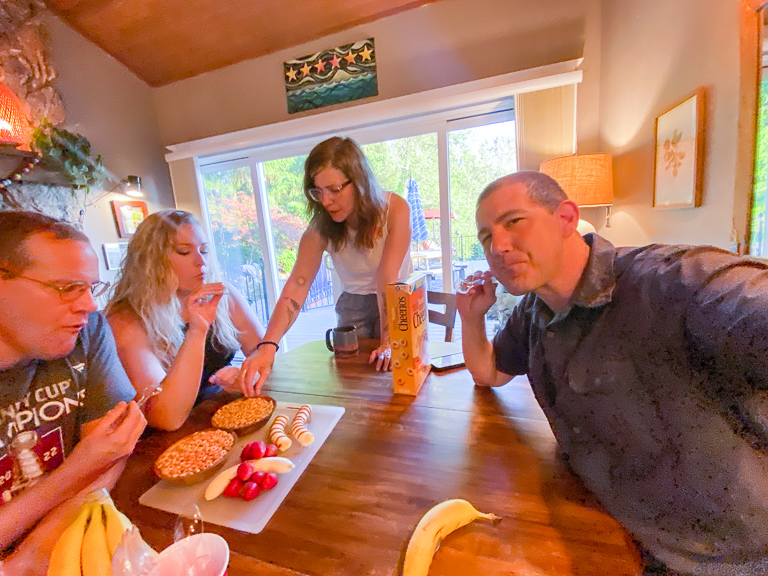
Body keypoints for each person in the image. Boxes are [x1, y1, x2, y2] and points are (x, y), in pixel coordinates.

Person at [458, 170, 768, 576]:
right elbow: (489, 372)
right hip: (606, 532)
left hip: (721, 558)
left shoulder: (671, 284)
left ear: (566, 218)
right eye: (486, 237)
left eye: (514, 221)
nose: (497, 246)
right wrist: (471, 318)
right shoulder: (534, 311)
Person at [0, 211, 145, 573]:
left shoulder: (88, 331)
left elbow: (110, 452)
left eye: (91, 287)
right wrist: (80, 466)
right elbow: (95, 459)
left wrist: (35, 550)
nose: (90, 305)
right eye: (67, 288)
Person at [238, 136, 412, 396]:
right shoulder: (319, 228)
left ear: (359, 181)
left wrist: (388, 341)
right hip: (353, 304)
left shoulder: (395, 208)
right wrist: (268, 346)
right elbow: (298, 284)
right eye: (317, 192)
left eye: (334, 189)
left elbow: (387, 277)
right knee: (356, 385)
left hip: (396, 298)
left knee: (399, 377)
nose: (325, 201)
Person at [106, 210, 265, 431]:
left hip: (217, 416)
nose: (201, 261)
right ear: (151, 261)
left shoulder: (220, 295)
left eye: (204, 250)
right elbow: (165, 417)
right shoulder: (127, 319)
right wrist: (197, 332)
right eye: (184, 252)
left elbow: (263, 353)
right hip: (163, 438)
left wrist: (245, 374)